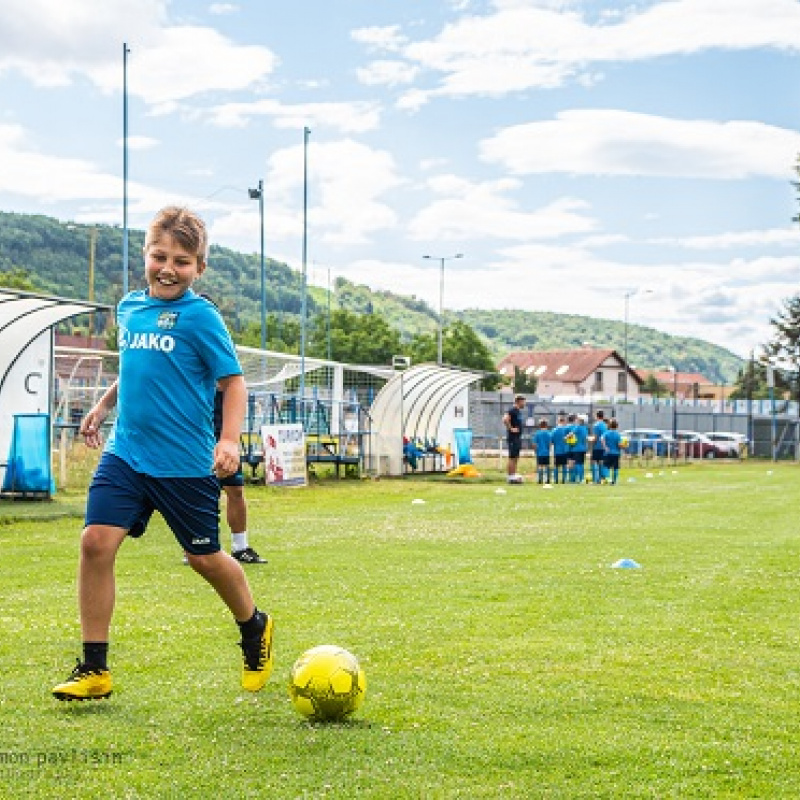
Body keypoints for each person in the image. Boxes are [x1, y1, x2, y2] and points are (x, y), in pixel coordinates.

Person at [52, 206, 273, 701]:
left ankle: (253, 625)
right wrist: (104, 405)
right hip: (127, 453)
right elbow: (135, 367)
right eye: (159, 256)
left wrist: (229, 439)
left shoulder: (201, 317)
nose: (168, 268)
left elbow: (233, 383)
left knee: (205, 559)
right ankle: (95, 669)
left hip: (183, 464)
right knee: (95, 542)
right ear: (145, 255)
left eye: (182, 260)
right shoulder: (130, 307)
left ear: (199, 268)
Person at [212, 388, 265, 564]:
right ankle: (196, 544)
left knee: (236, 490)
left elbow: (233, 387)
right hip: (199, 437)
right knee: (202, 490)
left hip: (225, 438)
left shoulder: (226, 373)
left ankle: (240, 547)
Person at [502, 395, 526, 483]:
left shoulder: (518, 412)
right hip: (513, 437)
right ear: (519, 401)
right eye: (523, 402)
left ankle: (513, 474)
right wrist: (511, 428)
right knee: (512, 457)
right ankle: (510, 476)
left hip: (517, 437)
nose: (524, 404)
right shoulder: (512, 410)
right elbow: (505, 419)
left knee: (516, 457)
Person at [602, 418, 623, 484]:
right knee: (615, 467)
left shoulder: (606, 433)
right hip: (616, 453)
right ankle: (614, 481)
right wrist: (623, 446)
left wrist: (605, 447)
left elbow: (602, 439)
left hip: (608, 453)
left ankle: (607, 478)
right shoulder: (618, 434)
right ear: (617, 426)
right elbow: (619, 444)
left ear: (609, 425)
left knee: (606, 466)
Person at [550, 415, 569, 484]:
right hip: (565, 450)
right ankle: (564, 480)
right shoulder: (566, 430)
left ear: (558, 421)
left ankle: (556, 480)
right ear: (564, 421)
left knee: (556, 466)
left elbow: (551, 441)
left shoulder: (554, 430)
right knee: (564, 466)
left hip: (557, 451)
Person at [532, 418, 552, 484]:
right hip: (546, 452)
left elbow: (534, 444)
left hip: (539, 452)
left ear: (539, 425)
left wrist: (535, 451)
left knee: (540, 466)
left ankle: (540, 480)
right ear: (546, 425)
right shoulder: (549, 433)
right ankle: (547, 479)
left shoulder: (537, 434)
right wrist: (548, 450)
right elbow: (549, 444)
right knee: (547, 466)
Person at [590, 409, 608, 484]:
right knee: (602, 462)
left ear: (596, 416)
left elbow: (595, 437)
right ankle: (602, 478)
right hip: (604, 446)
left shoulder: (596, 425)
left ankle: (595, 479)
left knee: (593, 462)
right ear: (603, 416)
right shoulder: (605, 425)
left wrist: (589, 439)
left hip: (597, 446)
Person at [571, 413, 589, 484]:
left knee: (578, 464)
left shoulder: (577, 427)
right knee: (581, 464)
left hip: (577, 448)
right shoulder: (585, 428)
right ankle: (581, 478)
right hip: (583, 448)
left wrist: (566, 438)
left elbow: (571, 434)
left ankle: (580, 479)